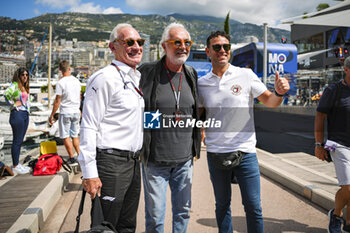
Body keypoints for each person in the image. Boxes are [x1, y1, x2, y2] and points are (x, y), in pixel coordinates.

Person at [197, 31, 290, 233]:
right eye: (217, 47)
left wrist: (280, 92)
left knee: (253, 207)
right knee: (222, 206)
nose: (222, 50)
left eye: (226, 47)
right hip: (216, 152)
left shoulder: (245, 75)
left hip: (245, 151)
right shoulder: (202, 83)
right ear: (208, 51)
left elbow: (270, 101)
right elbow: (199, 116)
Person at [77, 23, 144, 233]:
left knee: (127, 225)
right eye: (129, 42)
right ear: (113, 47)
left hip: (133, 163)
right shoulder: (105, 78)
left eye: (139, 42)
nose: (137, 47)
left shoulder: (136, 77)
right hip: (111, 163)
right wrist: (89, 172)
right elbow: (88, 125)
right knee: (106, 225)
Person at [138, 22, 201, 233]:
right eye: (177, 42)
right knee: (155, 217)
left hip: (184, 161)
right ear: (165, 46)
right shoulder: (147, 72)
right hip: (155, 161)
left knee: (183, 212)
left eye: (187, 42)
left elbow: (196, 109)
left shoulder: (191, 74)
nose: (183, 46)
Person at [314, 56, 350, 233]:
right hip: (337, 144)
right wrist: (319, 144)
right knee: (348, 186)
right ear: (346, 70)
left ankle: (349, 222)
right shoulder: (333, 90)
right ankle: (336, 215)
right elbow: (320, 116)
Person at [49, 60, 81, 164]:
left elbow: (58, 100)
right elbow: (79, 96)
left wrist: (52, 114)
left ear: (59, 70)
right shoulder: (76, 81)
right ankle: (80, 157)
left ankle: (72, 158)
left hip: (65, 111)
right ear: (69, 69)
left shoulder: (60, 82)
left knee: (66, 136)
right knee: (75, 135)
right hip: (76, 111)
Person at [4, 67, 31, 174]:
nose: (25, 77)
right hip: (17, 114)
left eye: (26, 75)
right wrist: (13, 104)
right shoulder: (15, 85)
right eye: (23, 75)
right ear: (19, 76)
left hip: (24, 114)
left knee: (20, 140)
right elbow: (6, 93)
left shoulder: (25, 86)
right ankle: (15, 165)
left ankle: (18, 164)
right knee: (17, 141)